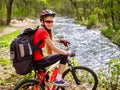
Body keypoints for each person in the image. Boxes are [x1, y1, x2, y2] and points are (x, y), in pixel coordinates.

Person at [33, 9, 75, 86]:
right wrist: (67, 53)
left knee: (44, 79)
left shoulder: (41, 30)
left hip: (36, 60)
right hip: (40, 61)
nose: (50, 23)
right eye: (47, 21)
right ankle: (58, 80)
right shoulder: (43, 31)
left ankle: (38, 85)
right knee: (64, 55)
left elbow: (49, 40)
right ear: (42, 22)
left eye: (51, 21)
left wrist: (61, 41)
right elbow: (53, 48)